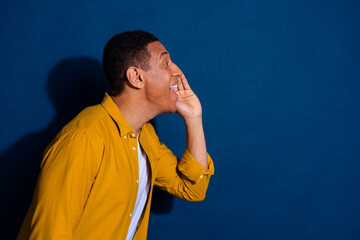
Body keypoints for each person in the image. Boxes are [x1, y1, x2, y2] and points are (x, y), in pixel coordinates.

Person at [17, 30, 214, 240]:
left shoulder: (145, 136)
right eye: (166, 64)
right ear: (136, 77)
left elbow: (193, 188)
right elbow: (49, 233)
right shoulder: (83, 138)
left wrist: (194, 118)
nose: (178, 72)